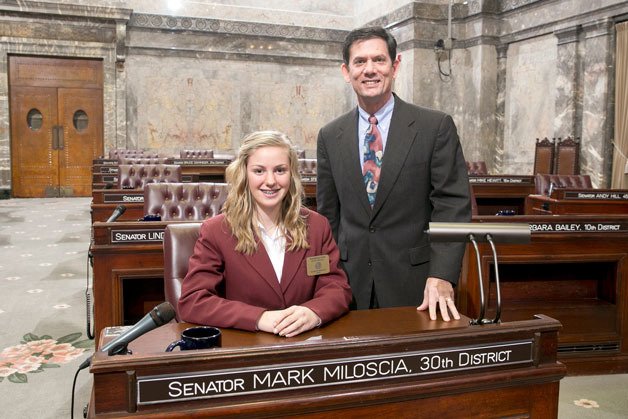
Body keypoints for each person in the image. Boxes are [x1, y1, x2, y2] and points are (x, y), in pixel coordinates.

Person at [316, 26, 471, 321]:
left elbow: (452, 205)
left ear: (395, 65)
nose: (370, 70)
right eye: (360, 62)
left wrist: (442, 275)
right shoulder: (329, 135)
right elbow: (329, 215)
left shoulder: (434, 127)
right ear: (346, 72)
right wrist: (328, 278)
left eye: (379, 60)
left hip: (417, 285)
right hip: (349, 283)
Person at [178, 131, 352, 337]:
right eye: (259, 171)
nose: (270, 181)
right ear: (244, 174)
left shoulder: (316, 226)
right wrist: (259, 318)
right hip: (246, 350)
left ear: (292, 174)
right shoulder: (217, 231)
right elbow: (193, 301)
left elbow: (337, 287)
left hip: (305, 347)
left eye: (280, 170)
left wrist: (314, 312)